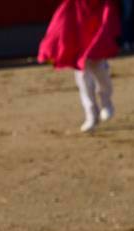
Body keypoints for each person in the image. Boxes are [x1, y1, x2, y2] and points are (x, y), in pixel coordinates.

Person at [38, 0, 122, 132]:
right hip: (79, 28)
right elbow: (62, 18)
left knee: (99, 68)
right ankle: (91, 114)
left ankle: (106, 101)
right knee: (81, 73)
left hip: (96, 23)